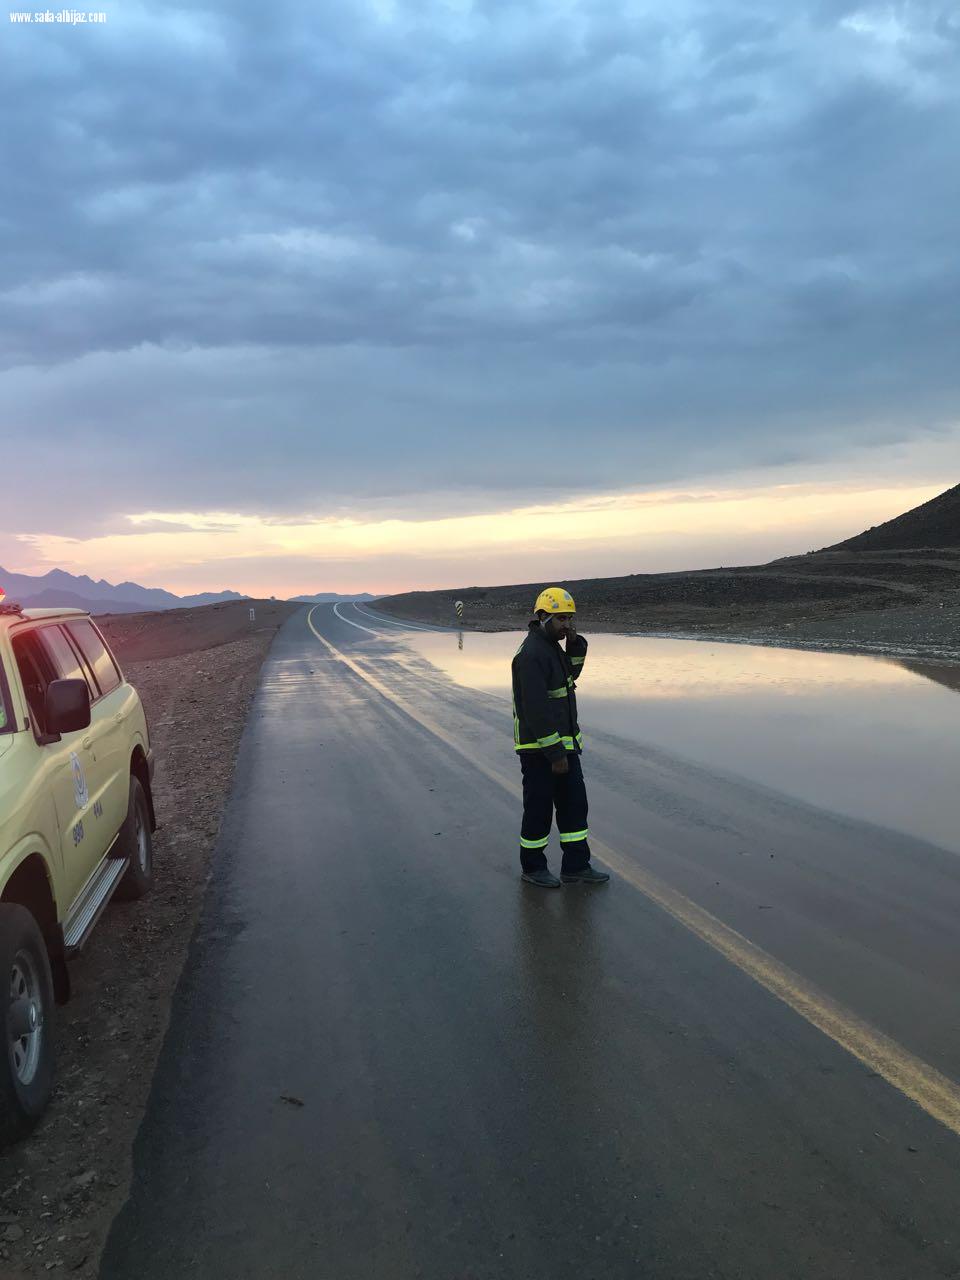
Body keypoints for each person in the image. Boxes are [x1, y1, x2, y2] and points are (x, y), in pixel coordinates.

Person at [511, 587, 610, 888]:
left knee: (574, 807)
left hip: (564, 747)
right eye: (560, 619)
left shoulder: (553, 647)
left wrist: (576, 643)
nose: (566, 624)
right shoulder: (531, 655)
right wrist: (555, 754)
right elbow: (536, 710)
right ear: (542, 617)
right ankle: (533, 867)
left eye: (569, 618)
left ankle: (576, 866)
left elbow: (571, 675)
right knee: (539, 810)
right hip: (540, 749)